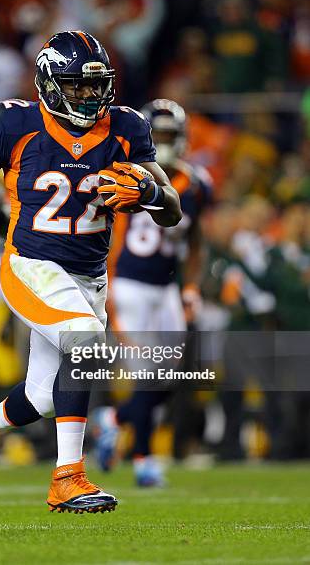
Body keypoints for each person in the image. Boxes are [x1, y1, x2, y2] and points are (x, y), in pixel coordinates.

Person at [0, 31, 181, 514]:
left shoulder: (125, 128)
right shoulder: (16, 124)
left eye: (95, 86)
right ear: (51, 84)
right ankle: (67, 478)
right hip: (31, 265)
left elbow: (172, 208)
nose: (89, 96)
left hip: (88, 277)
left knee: (42, 396)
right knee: (85, 342)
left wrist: (150, 195)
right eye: (77, 86)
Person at [94, 99, 212, 485]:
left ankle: (114, 419)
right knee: (148, 375)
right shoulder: (124, 175)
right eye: (156, 135)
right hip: (130, 286)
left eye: (169, 135)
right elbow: (110, 237)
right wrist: (106, 287)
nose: (162, 142)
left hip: (166, 290)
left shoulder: (195, 184)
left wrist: (191, 286)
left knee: (169, 377)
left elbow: (196, 242)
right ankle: (144, 459)